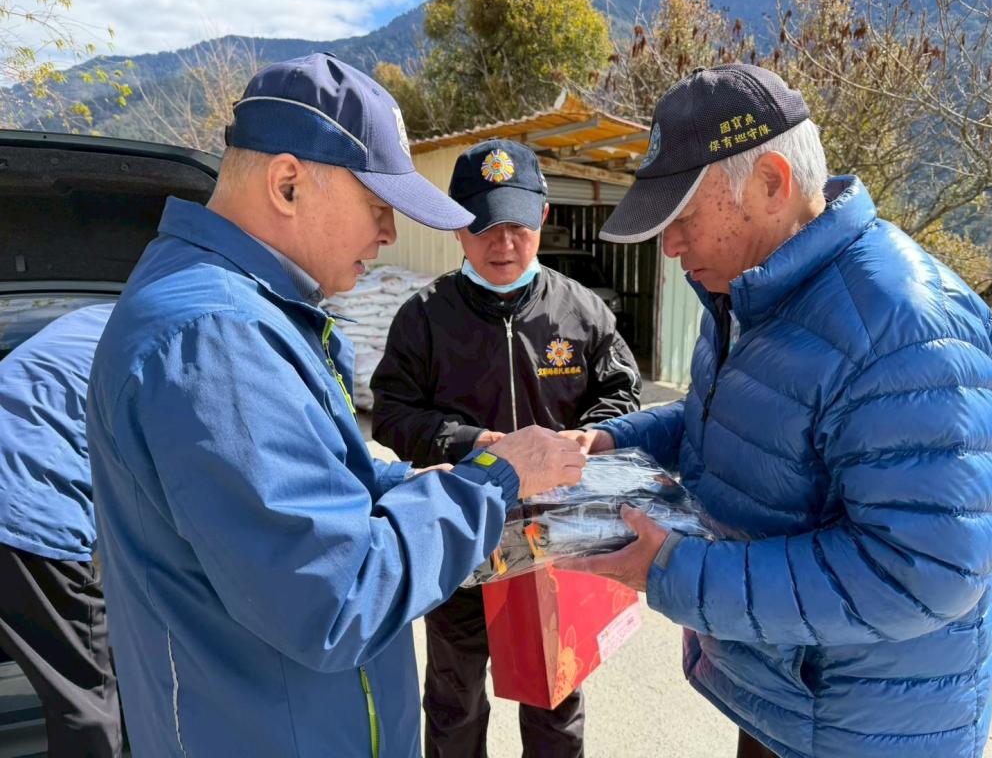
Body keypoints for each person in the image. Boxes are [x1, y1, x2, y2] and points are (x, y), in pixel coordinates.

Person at [85, 53, 586, 757]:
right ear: (288, 184)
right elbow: (338, 594)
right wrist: (495, 481)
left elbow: (324, 479)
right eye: (378, 209)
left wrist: (421, 480)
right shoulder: (215, 340)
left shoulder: (250, 313)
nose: (388, 235)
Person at [561, 64, 992, 758]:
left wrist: (677, 573)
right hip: (789, 697)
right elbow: (727, 418)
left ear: (772, 183)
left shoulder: (905, 329)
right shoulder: (748, 294)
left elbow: (923, 571)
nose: (669, 246)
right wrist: (612, 442)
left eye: (683, 218)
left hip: (865, 729)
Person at [371, 139, 642, 757]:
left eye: (518, 225)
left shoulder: (581, 312)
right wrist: (477, 445)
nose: (504, 244)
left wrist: (587, 437)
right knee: (455, 697)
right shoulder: (424, 318)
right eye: (485, 226)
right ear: (456, 226)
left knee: (555, 695)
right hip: (460, 533)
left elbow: (621, 395)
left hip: (554, 540)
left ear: (543, 216)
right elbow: (392, 414)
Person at [0, 302, 123, 757]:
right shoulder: (179, 337)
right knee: (86, 695)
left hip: (17, 493)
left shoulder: (94, 320)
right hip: (26, 511)